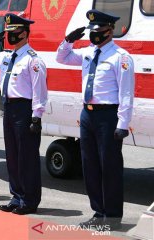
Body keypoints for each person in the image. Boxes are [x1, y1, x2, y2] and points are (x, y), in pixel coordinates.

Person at [56, 9, 135, 230]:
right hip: (88, 114)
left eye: (98, 30)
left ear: (110, 31)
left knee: (109, 167)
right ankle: (98, 213)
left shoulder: (121, 57)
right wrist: (68, 40)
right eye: (92, 31)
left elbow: (126, 94)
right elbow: (62, 58)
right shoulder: (89, 53)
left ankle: (112, 218)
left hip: (108, 116)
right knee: (89, 166)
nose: (94, 35)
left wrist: (122, 123)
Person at [0, 13, 48, 215]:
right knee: (13, 156)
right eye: (8, 33)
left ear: (25, 34)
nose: (10, 37)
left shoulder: (33, 60)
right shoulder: (7, 56)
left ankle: (29, 200)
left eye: (14, 33)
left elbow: (39, 91)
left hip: (25, 110)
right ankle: (16, 196)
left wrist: (37, 116)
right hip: (8, 108)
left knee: (27, 157)